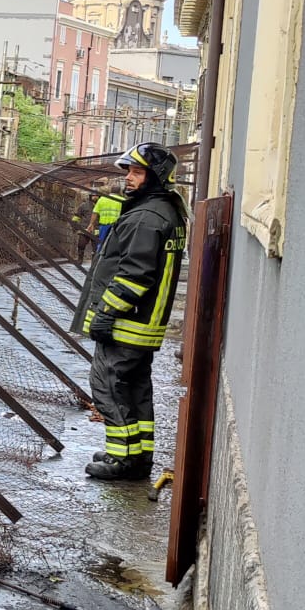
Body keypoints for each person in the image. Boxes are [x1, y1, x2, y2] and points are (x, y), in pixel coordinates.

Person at [73, 142, 186, 481]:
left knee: (108, 386)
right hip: (144, 324)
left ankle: (122, 461)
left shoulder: (148, 217)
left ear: (156, 177)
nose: (129, 179)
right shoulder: (163, 211)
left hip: (128, 322)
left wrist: (106, 312)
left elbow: (135, 273)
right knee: (135, 390)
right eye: (129, 172)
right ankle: (136, 456)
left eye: (138, 172)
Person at [89, 185, 126, 258]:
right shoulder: (122, 200)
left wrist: (91, 224)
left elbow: (95, 212)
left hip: (104, 226)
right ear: (119, 192)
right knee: (116, 244)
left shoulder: (102, 199)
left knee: (101, 243)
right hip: (117, 227)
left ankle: (98, 258)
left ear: (111, 191)